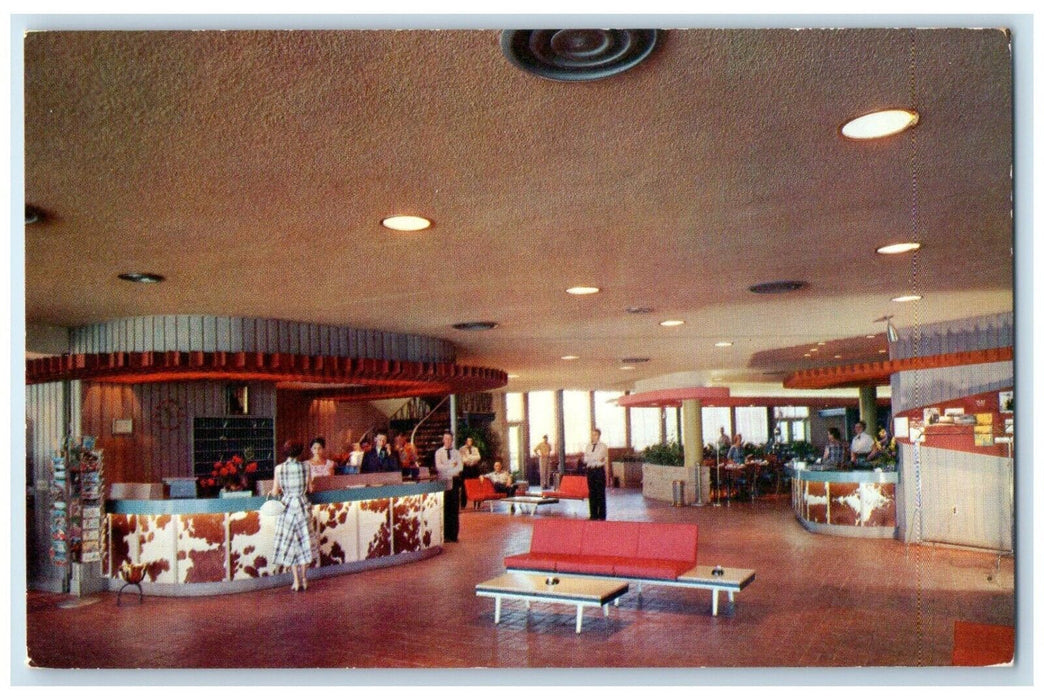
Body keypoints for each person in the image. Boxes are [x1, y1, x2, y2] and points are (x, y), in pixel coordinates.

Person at [270, 440, 318, 592]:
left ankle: (296, 581)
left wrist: (275, 492)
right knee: (305, 543)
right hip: (303, 507)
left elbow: (275, 491)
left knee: (290, 545)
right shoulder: (306, 466)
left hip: (288, 508)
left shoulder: (279, 469)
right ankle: (304, 578)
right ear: (300, 451)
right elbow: (310, 488)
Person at [434, 432, 462, 542]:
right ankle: (445, 535)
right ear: (443, 440)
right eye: (446, 439)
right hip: (443, 482)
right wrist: (451, 466)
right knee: (445, 508)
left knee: (454, 508)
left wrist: (448, 468)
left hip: (454, 481)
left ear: (452, 440)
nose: (448, 441)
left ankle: (454, 535)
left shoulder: (457, 453)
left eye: (450, 439)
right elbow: (438, 467)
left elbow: (460, 467)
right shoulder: (439, 452)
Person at [582, 428, 609, 520]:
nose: (593, 436)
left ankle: (601, 515)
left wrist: (592, 457)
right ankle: (593, 515)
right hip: (590, 471)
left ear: (599, 436)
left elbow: (600, 457)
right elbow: (585, 459)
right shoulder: (588, 446)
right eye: (592, 434)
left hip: (599, 470)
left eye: (595, 435)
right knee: (592, 492)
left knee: (600, 493)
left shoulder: (603, 446)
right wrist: (594, 458)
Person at [458, 436, 482, 508]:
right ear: (465, 441)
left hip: (474, 468)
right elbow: (463, 459)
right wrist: (472, 458)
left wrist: (469, 457)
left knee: (476, 484)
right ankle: (463, 504)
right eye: (468, 441)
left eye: (471, 441)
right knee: (464, 486)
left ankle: (476, 503)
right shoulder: (462, 449)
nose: (470, 442)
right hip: (466, 469)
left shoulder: (475, 449)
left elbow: (478, 457)